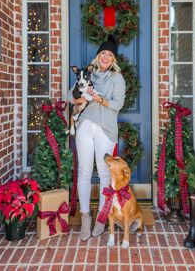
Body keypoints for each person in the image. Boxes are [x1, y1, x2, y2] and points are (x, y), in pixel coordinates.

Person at [68, 35, 126, 241]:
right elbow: (69, 95)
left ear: (113, 60)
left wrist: (99, 98)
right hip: (84, 127)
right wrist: (80, 98)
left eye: (110, 55)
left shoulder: (117, 78)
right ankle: (85, 217)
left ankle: (101, 218)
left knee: (103, 173)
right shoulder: (86, 72)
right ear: (98, 55)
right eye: (103, 53)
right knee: (84, 171)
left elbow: (118, 104)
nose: (106, 57)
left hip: (106, 129)